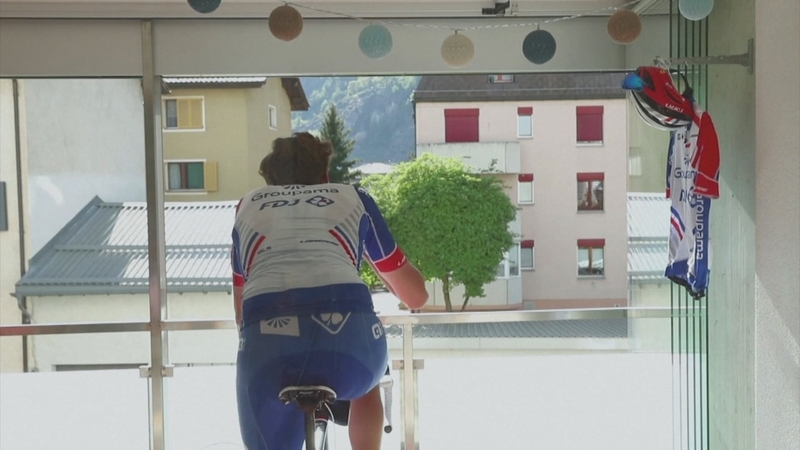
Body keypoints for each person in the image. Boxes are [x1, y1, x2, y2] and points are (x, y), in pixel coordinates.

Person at [231, 132, 428, 450]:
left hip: (267, 350)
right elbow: (415, 296)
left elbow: (241, 310)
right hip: (350, 343)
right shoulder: (352, 197)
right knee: (370, 378)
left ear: (270, 180)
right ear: (325, 175)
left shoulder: (247, 206)